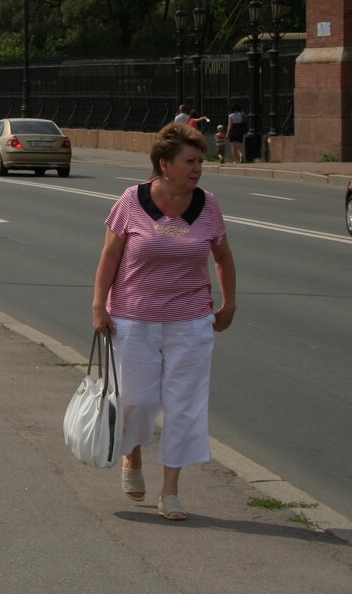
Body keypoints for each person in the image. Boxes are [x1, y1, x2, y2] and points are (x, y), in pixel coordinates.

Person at [91, 120, 237, 522]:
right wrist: (98, 306)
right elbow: (110, 257)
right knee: (137, 400)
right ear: (164, 164)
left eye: (200, 162)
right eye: (190, 161)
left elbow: (223, 258)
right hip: (134, 319)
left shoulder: (208, 205)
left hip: (190, 322)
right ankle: (131, 456)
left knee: (184, 407)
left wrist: (228, 305)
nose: (197, 169)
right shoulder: (131, 200)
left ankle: (170, 491)